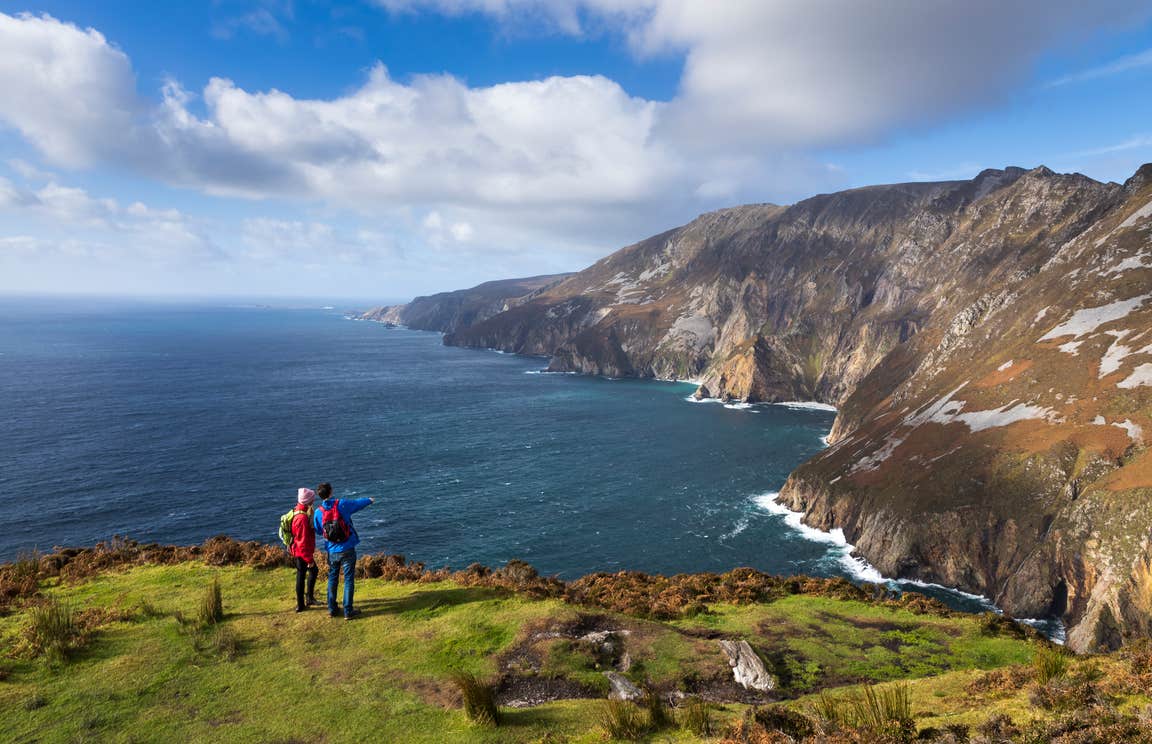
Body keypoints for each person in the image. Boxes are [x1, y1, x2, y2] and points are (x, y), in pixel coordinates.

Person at [313, 482, 374, 620]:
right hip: (347, 548)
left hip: (332, 550)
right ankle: (348, 611)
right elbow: (357, 504)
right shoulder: (341, 504)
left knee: (332, 578)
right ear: (331, 492)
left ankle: (332, 609)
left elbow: (318, 530)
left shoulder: (318, 512)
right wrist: (369, 500)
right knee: (348, 579)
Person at [289, 487, 319, 612]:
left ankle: (304, 602)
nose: (314, 501)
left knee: (302, 575)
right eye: (312, 499)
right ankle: (304, 602)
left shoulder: (298, 510)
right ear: (307, 501)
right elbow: (303, 542)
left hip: (297, 550)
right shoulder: (301, 519)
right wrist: (309, 559)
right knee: (309, 572)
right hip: (301, 552)